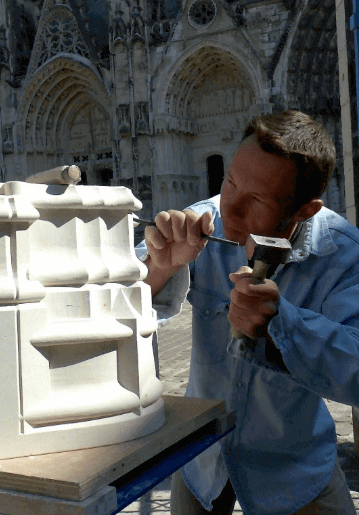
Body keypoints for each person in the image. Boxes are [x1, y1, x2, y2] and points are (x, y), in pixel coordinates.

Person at [136, 110, 359, 514]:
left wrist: (284, 325)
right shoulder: (204, 219)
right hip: (202, 458)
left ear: (305, 211)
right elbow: (114, 297)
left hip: (294, 465)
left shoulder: (342, 252)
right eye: (230, 180)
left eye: (256, 199)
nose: (231, 210)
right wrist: (161, 266)